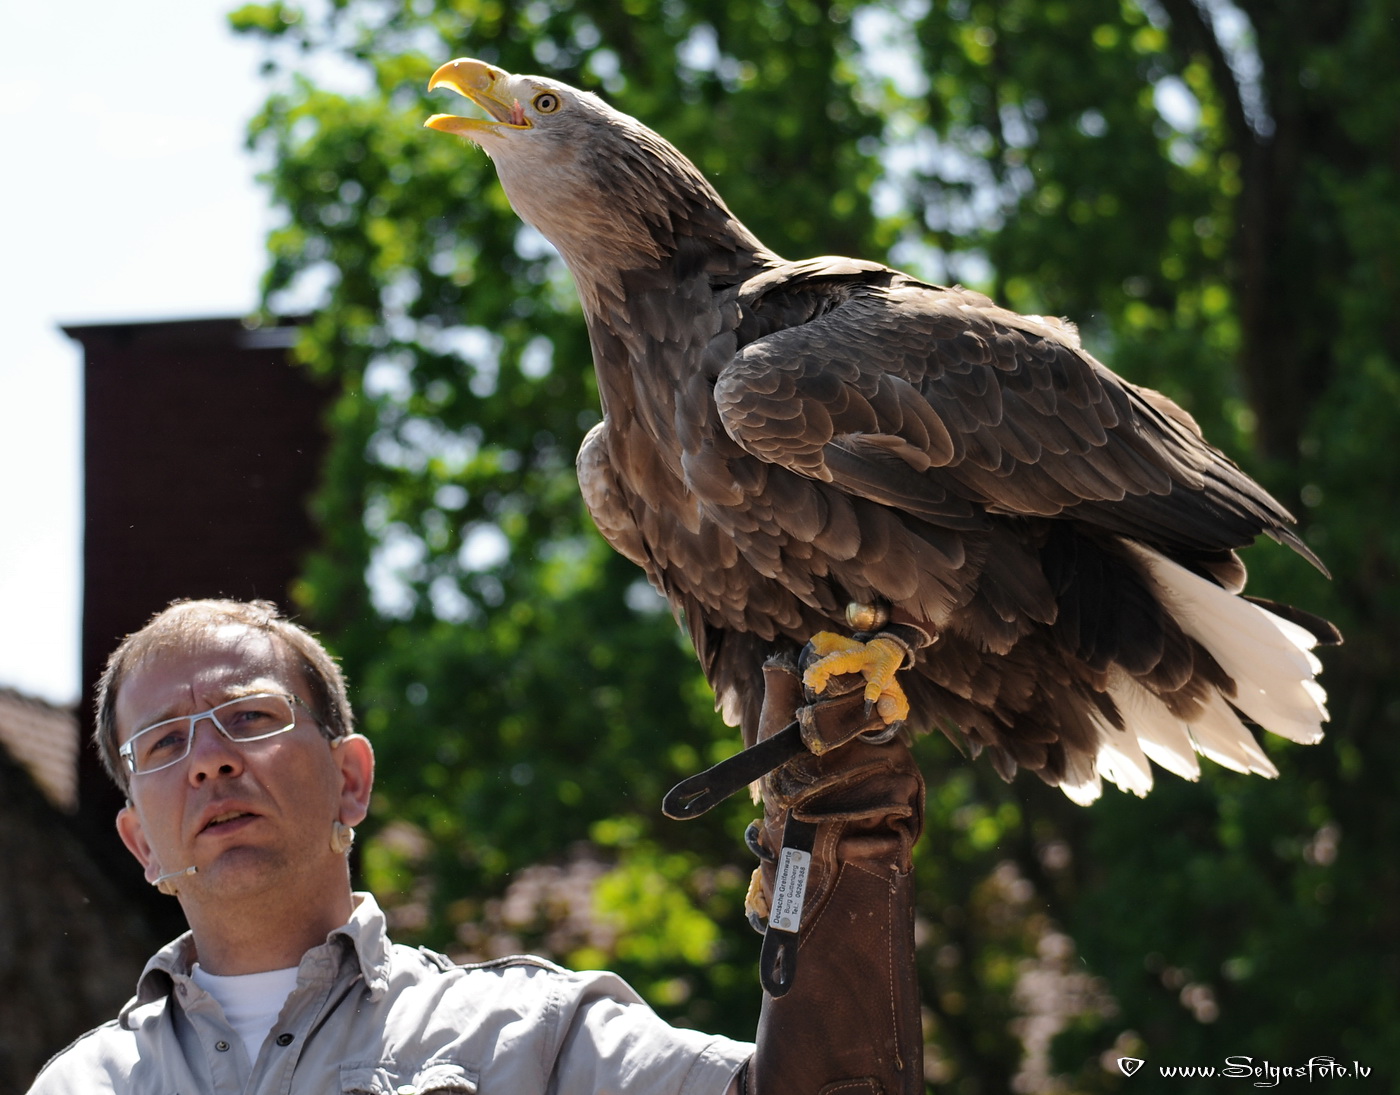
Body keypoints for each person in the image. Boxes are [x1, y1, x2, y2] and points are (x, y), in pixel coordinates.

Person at [28, 598, 924, 1094]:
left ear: (351, 779)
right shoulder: (81, 1088)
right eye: (164, 743)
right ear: (141, 841)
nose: (211, 760)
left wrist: (834, 860)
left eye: (251, 717)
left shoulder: (526, 1040)